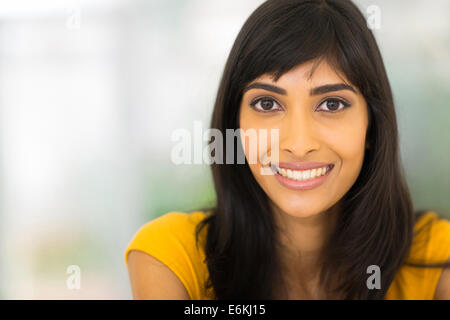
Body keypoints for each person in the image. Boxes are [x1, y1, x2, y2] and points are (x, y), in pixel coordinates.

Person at [124, 0, 450, 299]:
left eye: (332, 104)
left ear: (371, 126)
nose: (298, 144)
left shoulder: (437, 258)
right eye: (267, 103)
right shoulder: (173, 257)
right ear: (234, 126)